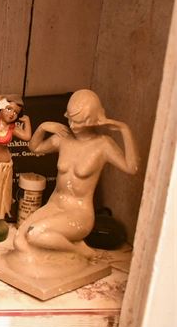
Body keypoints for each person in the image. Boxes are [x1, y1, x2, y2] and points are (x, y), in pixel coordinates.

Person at [13, 89, 138, 259]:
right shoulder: (64, 138)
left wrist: (124, 129)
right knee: (19, 241)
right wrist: (43, 127)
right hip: (54, 205)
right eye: (71, 120)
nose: (73, 126)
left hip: (79, 213)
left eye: (79, 122)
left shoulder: (103, 145)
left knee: (35, 235)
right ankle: (60, 251)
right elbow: (35, 148)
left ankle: (81, 251)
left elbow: (132, 168)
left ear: (93, 119)